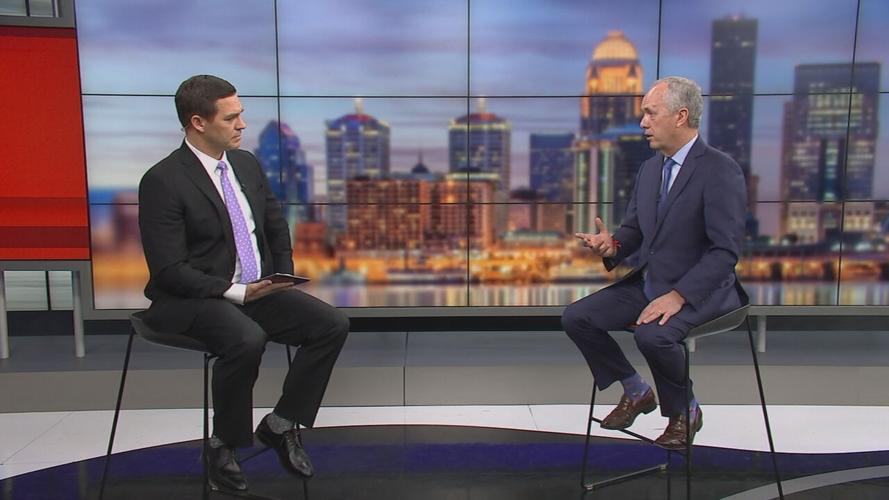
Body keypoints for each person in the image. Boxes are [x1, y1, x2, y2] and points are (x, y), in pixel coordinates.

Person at [138, 74, 349, 491]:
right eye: (231, 118)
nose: (242, 125)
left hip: (257, 288)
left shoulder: (246, 164)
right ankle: (223, 446)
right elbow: (169, 270)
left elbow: (274, 224)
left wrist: (281, 277)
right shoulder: (163, 180)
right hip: (194, 297)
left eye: (241, 114)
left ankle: (280, 424)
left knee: (332, 324)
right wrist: (236, 292)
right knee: (246, 339)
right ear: (198, 122)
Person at [562, 76, 746, 449]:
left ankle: (685, 411)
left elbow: (725, 251)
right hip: (651, 282)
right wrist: (612, 246)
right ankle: (637, 391)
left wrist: (678, 296)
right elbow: (634, 230)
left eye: (650, 113)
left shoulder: (719, 170)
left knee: (653, 335)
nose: (642, 122)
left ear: (681, 116)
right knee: (577, 317)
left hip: (702, 290)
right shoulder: (650, 169)